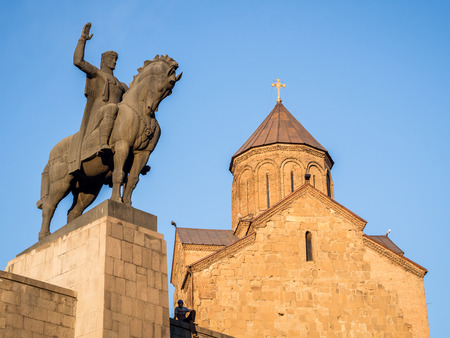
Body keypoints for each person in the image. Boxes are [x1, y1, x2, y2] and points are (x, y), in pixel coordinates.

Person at [68, 22, 128, 173]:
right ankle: (102, 144)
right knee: (112, 107)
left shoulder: (122, 85)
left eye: (115, 59)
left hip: (114, 116)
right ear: (103, 61)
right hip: (98, 116)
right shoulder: (97, 74)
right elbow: (78, 61)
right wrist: (82, 39)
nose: (114, 61)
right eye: (111, 59)